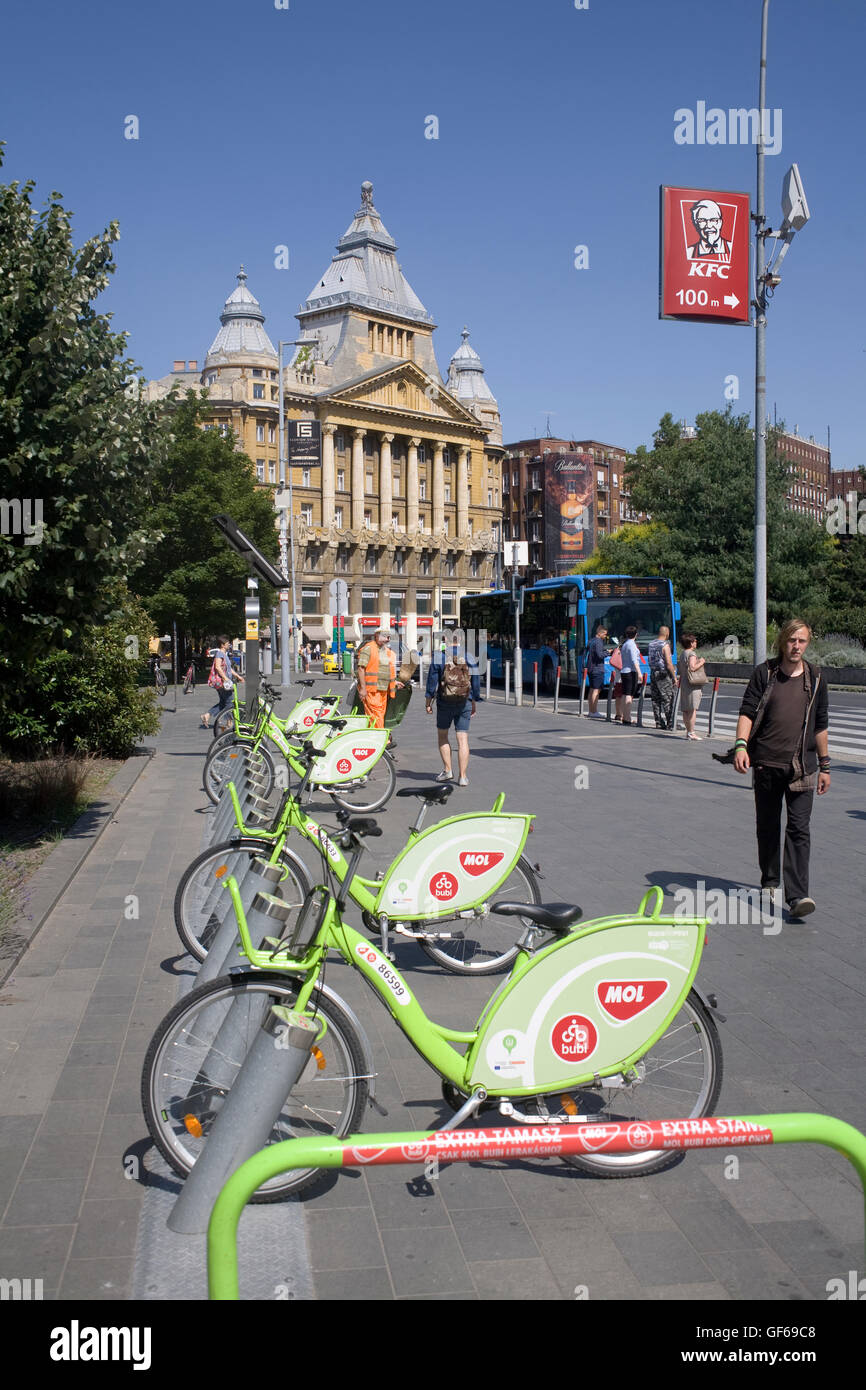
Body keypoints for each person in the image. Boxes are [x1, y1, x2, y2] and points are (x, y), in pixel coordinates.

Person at [732, 619, 830, 919]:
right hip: (766, 764)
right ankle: (770, 879)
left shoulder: (815, 677)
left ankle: (798, 895)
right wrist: (740, 745)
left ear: (807, 643)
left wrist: (825, 765)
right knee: (768, 827)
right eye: (791, 640)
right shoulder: (765, 673)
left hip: (803, 767)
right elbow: (747, 711)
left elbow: (821, 723)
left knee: (799, 829)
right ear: (782, 642)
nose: (796, 646)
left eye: (801, 641)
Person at [425, 641, 480, 786]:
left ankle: (448, 770)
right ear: (460, 640)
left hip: (444, 702)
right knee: (462, 739)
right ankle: (463, 776)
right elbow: (475, 683)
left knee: (443, 735)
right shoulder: (469, 656)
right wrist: (473, 700)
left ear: (447, 641)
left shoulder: (439, 656)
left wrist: (428, 702)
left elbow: (431, 682)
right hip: (464, 702)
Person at [356, 630, 404, 730]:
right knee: (376, 715)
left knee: (379, 715)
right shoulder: (369, 648)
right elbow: (361, 668)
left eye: (389, 637)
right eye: (385, 636)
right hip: (371, 690)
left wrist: (394, 682)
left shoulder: (385, 651)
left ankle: (375, 738)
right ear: (376, 636)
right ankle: (381, 739)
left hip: (383, 690)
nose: (387, 639)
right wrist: (363, 689)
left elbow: (384, 670)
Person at [203, 636, 243, 730]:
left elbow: (229, 669)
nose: (229, 644)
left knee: (223, 702)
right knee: (230, 702)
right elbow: (217, 667)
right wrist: (225, 678)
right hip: (222, 683)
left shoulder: (224, 654)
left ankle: (207, 715)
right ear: (222, 645)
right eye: (227, 643)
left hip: (224, 682)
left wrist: (237, 676)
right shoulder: (219, 654)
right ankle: (229, 722)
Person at [647, 625, 677, 729]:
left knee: (656, 699)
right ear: (667, 634)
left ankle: (658, 722)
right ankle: (671, 722)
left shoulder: (651, 644)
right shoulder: (665, 645)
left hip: (653, 672)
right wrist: (674, 677)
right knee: (668, 698)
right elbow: (668, 663)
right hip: (663, 674)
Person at [677, 634, 706, 739]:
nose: (696, 642)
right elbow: (692, 668)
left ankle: (688, 731)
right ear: (691, 643)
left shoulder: (683, 653)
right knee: (692, 709)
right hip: (692, 684)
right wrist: (701, 662)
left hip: (684, 682)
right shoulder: (692, 654)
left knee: (685, 709)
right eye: (694, 641)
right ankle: (691, 732)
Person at [619, 625, 641, 726]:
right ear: (636, 634)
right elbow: (634, 660)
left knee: (625, 694)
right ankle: (627, 717)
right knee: (629, 695)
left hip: (624, 670)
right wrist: (639, 672)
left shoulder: (625, 644)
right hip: (631, 671)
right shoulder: (632, 645)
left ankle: (625, 716)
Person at [585, 624, 608, 719]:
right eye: (605, 634)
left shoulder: (591, 641)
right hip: (597, 668)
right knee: (596, 690)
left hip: (590, 668)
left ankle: (591, 710)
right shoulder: (598, 642)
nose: (605, 636)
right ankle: (594, 711)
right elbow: (599, 655)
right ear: (600, 633)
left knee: (591, 689)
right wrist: (608, 652)